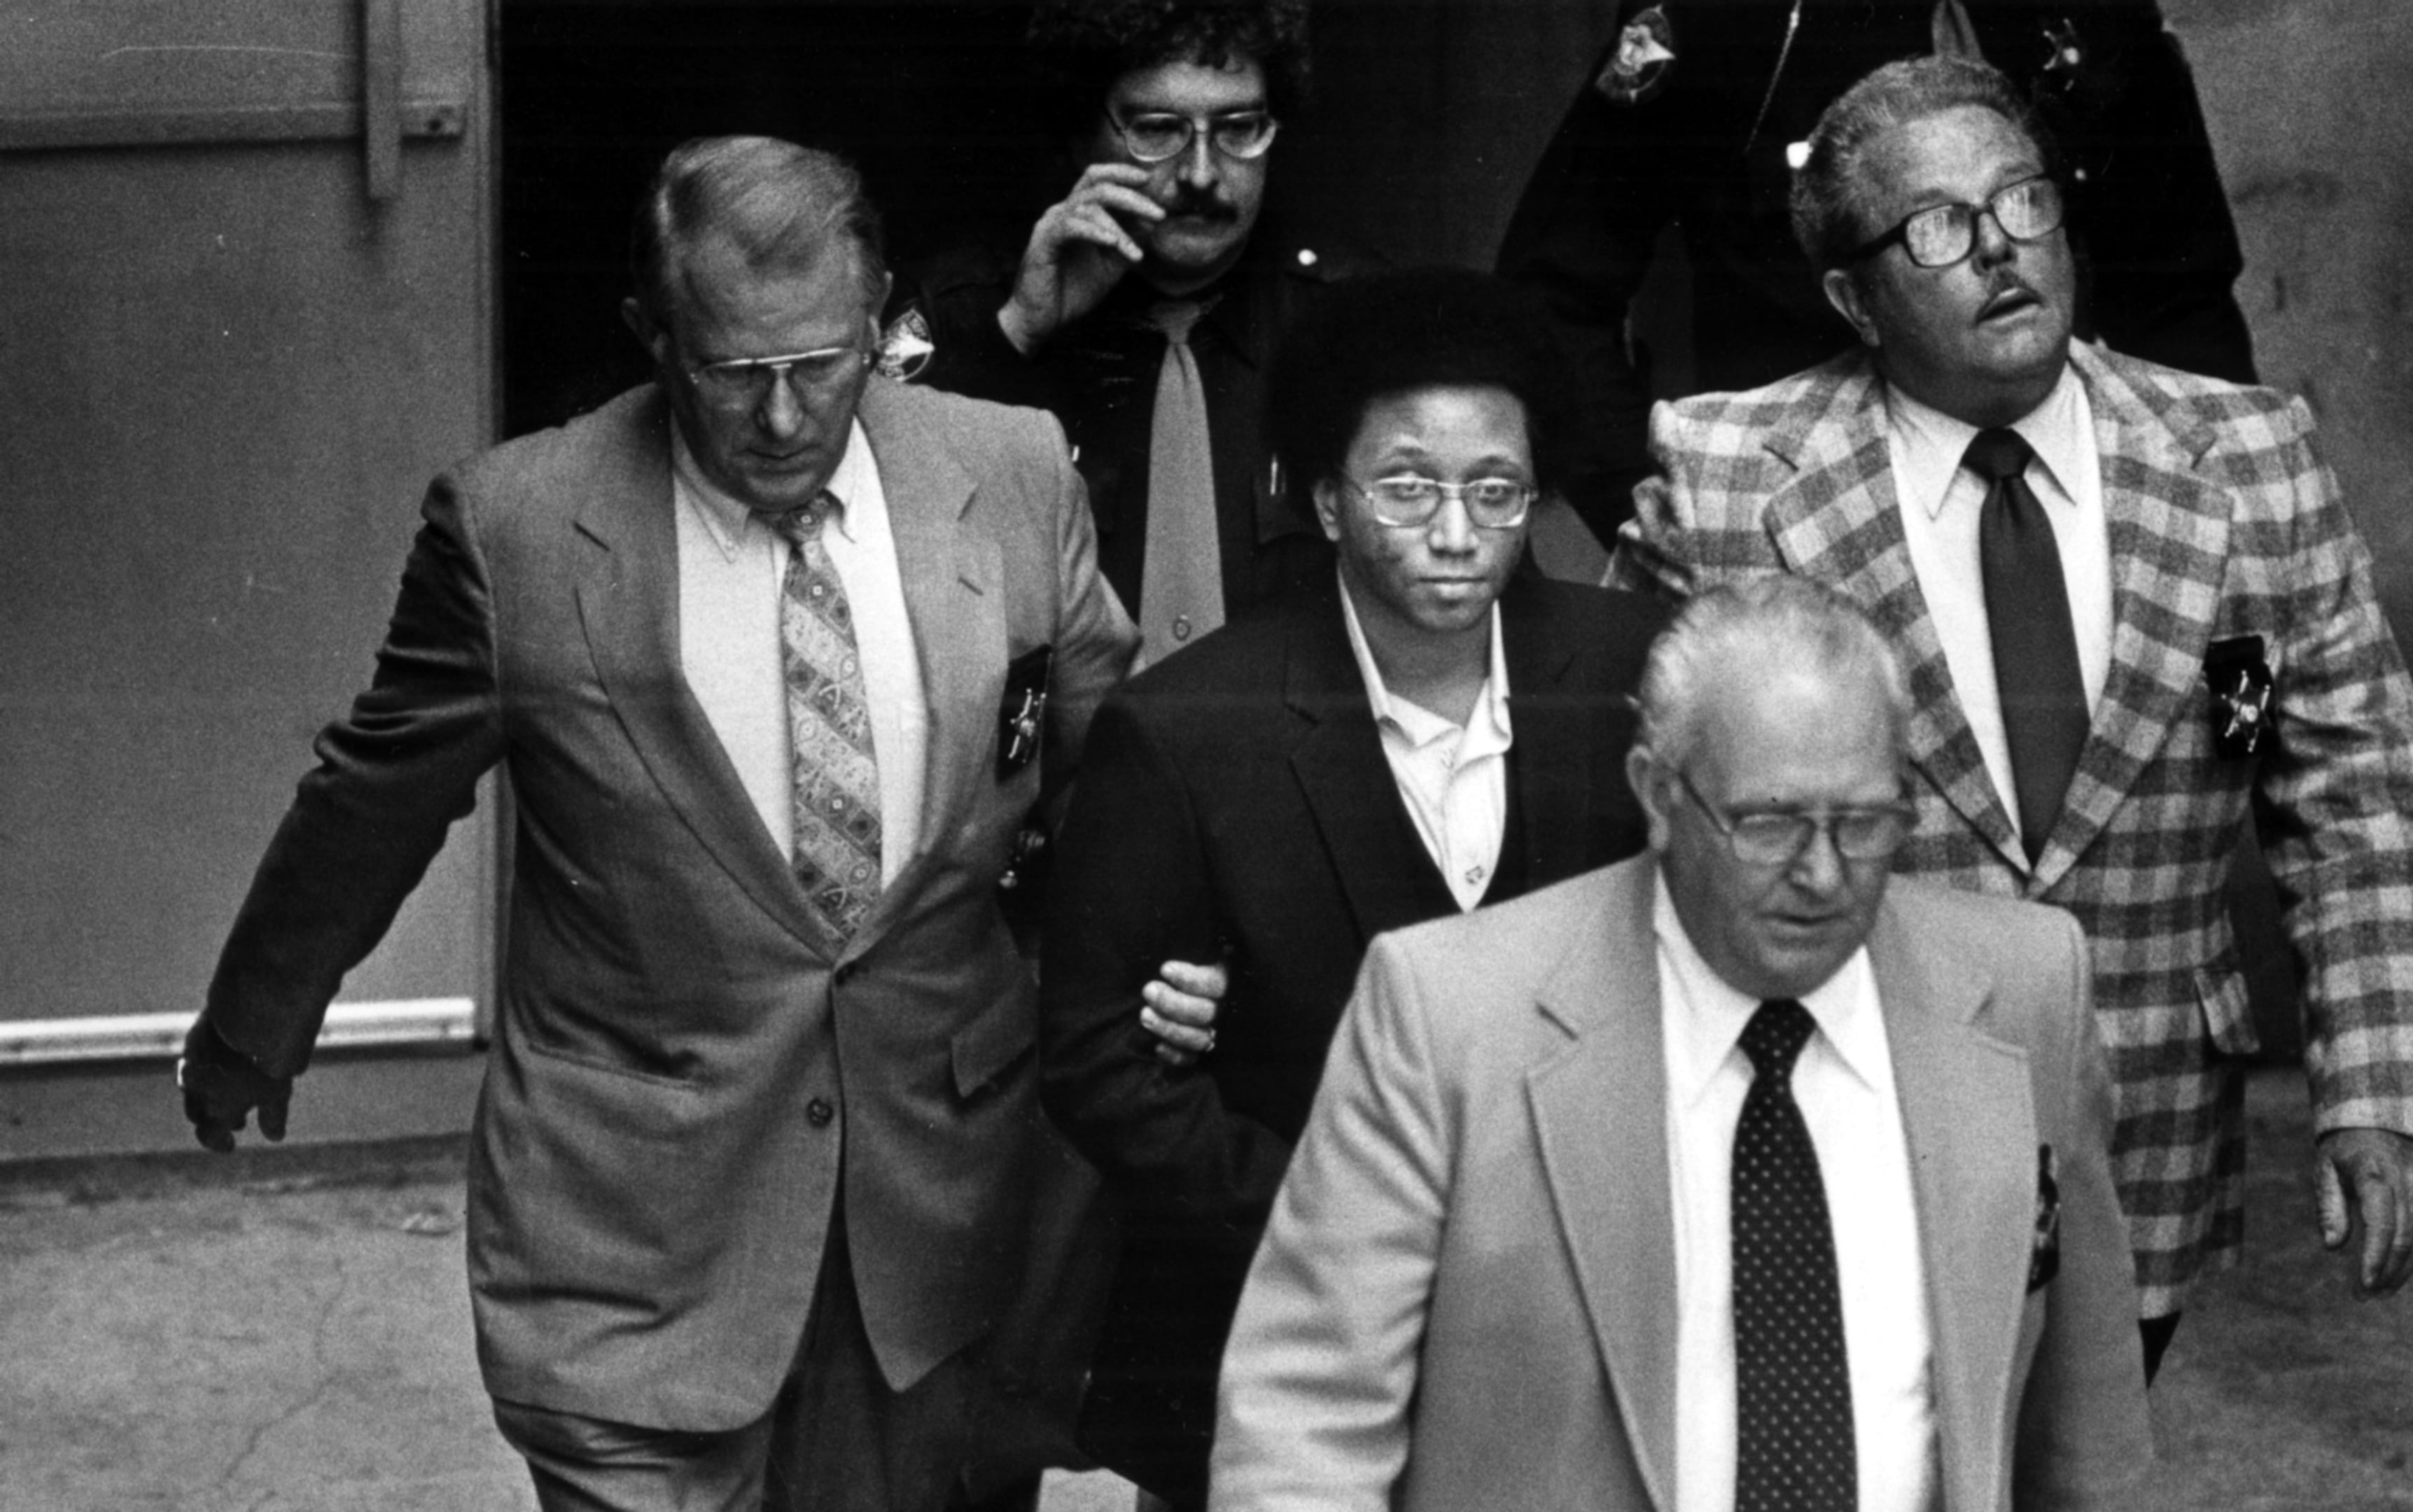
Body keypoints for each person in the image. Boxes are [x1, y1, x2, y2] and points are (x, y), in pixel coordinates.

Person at [175, 136, 1136, 1511]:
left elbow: (1118, 762)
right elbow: (373, 793)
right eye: (734, 374)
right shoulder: (517, 530)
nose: (787, 417)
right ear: (653, 338)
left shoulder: (1013, 472)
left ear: (877, 324)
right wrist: (257, 1021)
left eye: (826, 366)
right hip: (633, 1229)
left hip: (935, 1222)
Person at [1613, 55, 2413, 1378]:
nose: (2000, 249)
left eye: (2023, 202)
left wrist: (2380, 1093)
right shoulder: (1727, 487)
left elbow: (2353, 805)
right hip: (1839, 1122)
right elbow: (1640, 833)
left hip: (2146, 1126)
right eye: (1937, 228)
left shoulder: (2249, 466)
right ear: (1853, 297)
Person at [1212, 575, 2150, 1511]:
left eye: (1865, 823)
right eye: (1769, 823)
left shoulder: (2026, 987)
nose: (1823, 874)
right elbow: (1305, 1426)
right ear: (1657, 796)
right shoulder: (1447, 1016)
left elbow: (2089, 1420)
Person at [1037, 268, 1668, 1511]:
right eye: (1407, 486)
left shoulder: (1635, 675)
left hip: (1597, 1305)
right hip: (1292, 1320)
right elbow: (1097, 1064)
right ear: (1327, 500)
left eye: (1495, 491)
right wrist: (1356, 1225)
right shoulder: (1187, 726)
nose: (1454, 530)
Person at [1497, 0, 2258, 536]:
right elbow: (1550, 295)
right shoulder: (1725, 22)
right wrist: (1669, 519)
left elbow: (2184, 306)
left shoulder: (2093, 16)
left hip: (2082, 506)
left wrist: (2218, 535)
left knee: (2218, 731)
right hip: (1816, 530)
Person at [913, 0, 1368, 666]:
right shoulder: (973, 309)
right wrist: (1015, 337)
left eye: (1240, 128)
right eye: (1158, 130)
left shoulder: (1355, 318)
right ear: (1080, 134)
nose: (1202, 174)